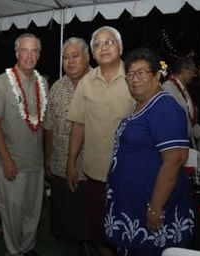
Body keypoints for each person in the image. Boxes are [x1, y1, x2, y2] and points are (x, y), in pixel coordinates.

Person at [104, 47, 194, 256]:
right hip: (132, 206)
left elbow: (175, 160)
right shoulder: (140, 105)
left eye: (141, 73)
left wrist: (155, 207)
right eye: (130, 74)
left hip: (151, 209)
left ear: (156, 76)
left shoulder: (165, 107)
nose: (134, 79)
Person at [66, 26, 133, 256]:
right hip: (94, 173)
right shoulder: (85, 83)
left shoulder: (135, 79)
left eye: (109, 42)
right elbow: (78, 124)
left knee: (128, 230)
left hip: (128, 173)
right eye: (97, 44)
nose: (103, 48)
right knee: (100, 232)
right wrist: (71, 163)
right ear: (93, 54)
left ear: (121, 47)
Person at [0, 33, 48, 256]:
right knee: (12, 212)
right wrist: (6, 159)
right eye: (25, 50)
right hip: (11, 163)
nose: (29, 55)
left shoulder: (42, 83)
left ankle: (27, 248)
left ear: (39, 55)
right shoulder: (1, 83)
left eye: (34, 51)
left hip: (36, 162)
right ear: (16, 53)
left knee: (32, 211)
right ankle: (13, 252)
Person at [43, 37, 90, 256]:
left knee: (87, 220)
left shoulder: (98, 83)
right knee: (64, 218)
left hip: (90, 169)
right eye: (66, 57)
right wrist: (47, 158)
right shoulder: (57, 87)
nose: (70, 62)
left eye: (75, 56)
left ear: (87, 57)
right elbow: (49, 126)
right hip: (60, 164)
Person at [162, 57, 200, 148]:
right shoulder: (168, 88)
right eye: (193, 71)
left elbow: (189, 120)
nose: (194, 75)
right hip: (175, 145)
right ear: (185, 70)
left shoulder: (183, 90)